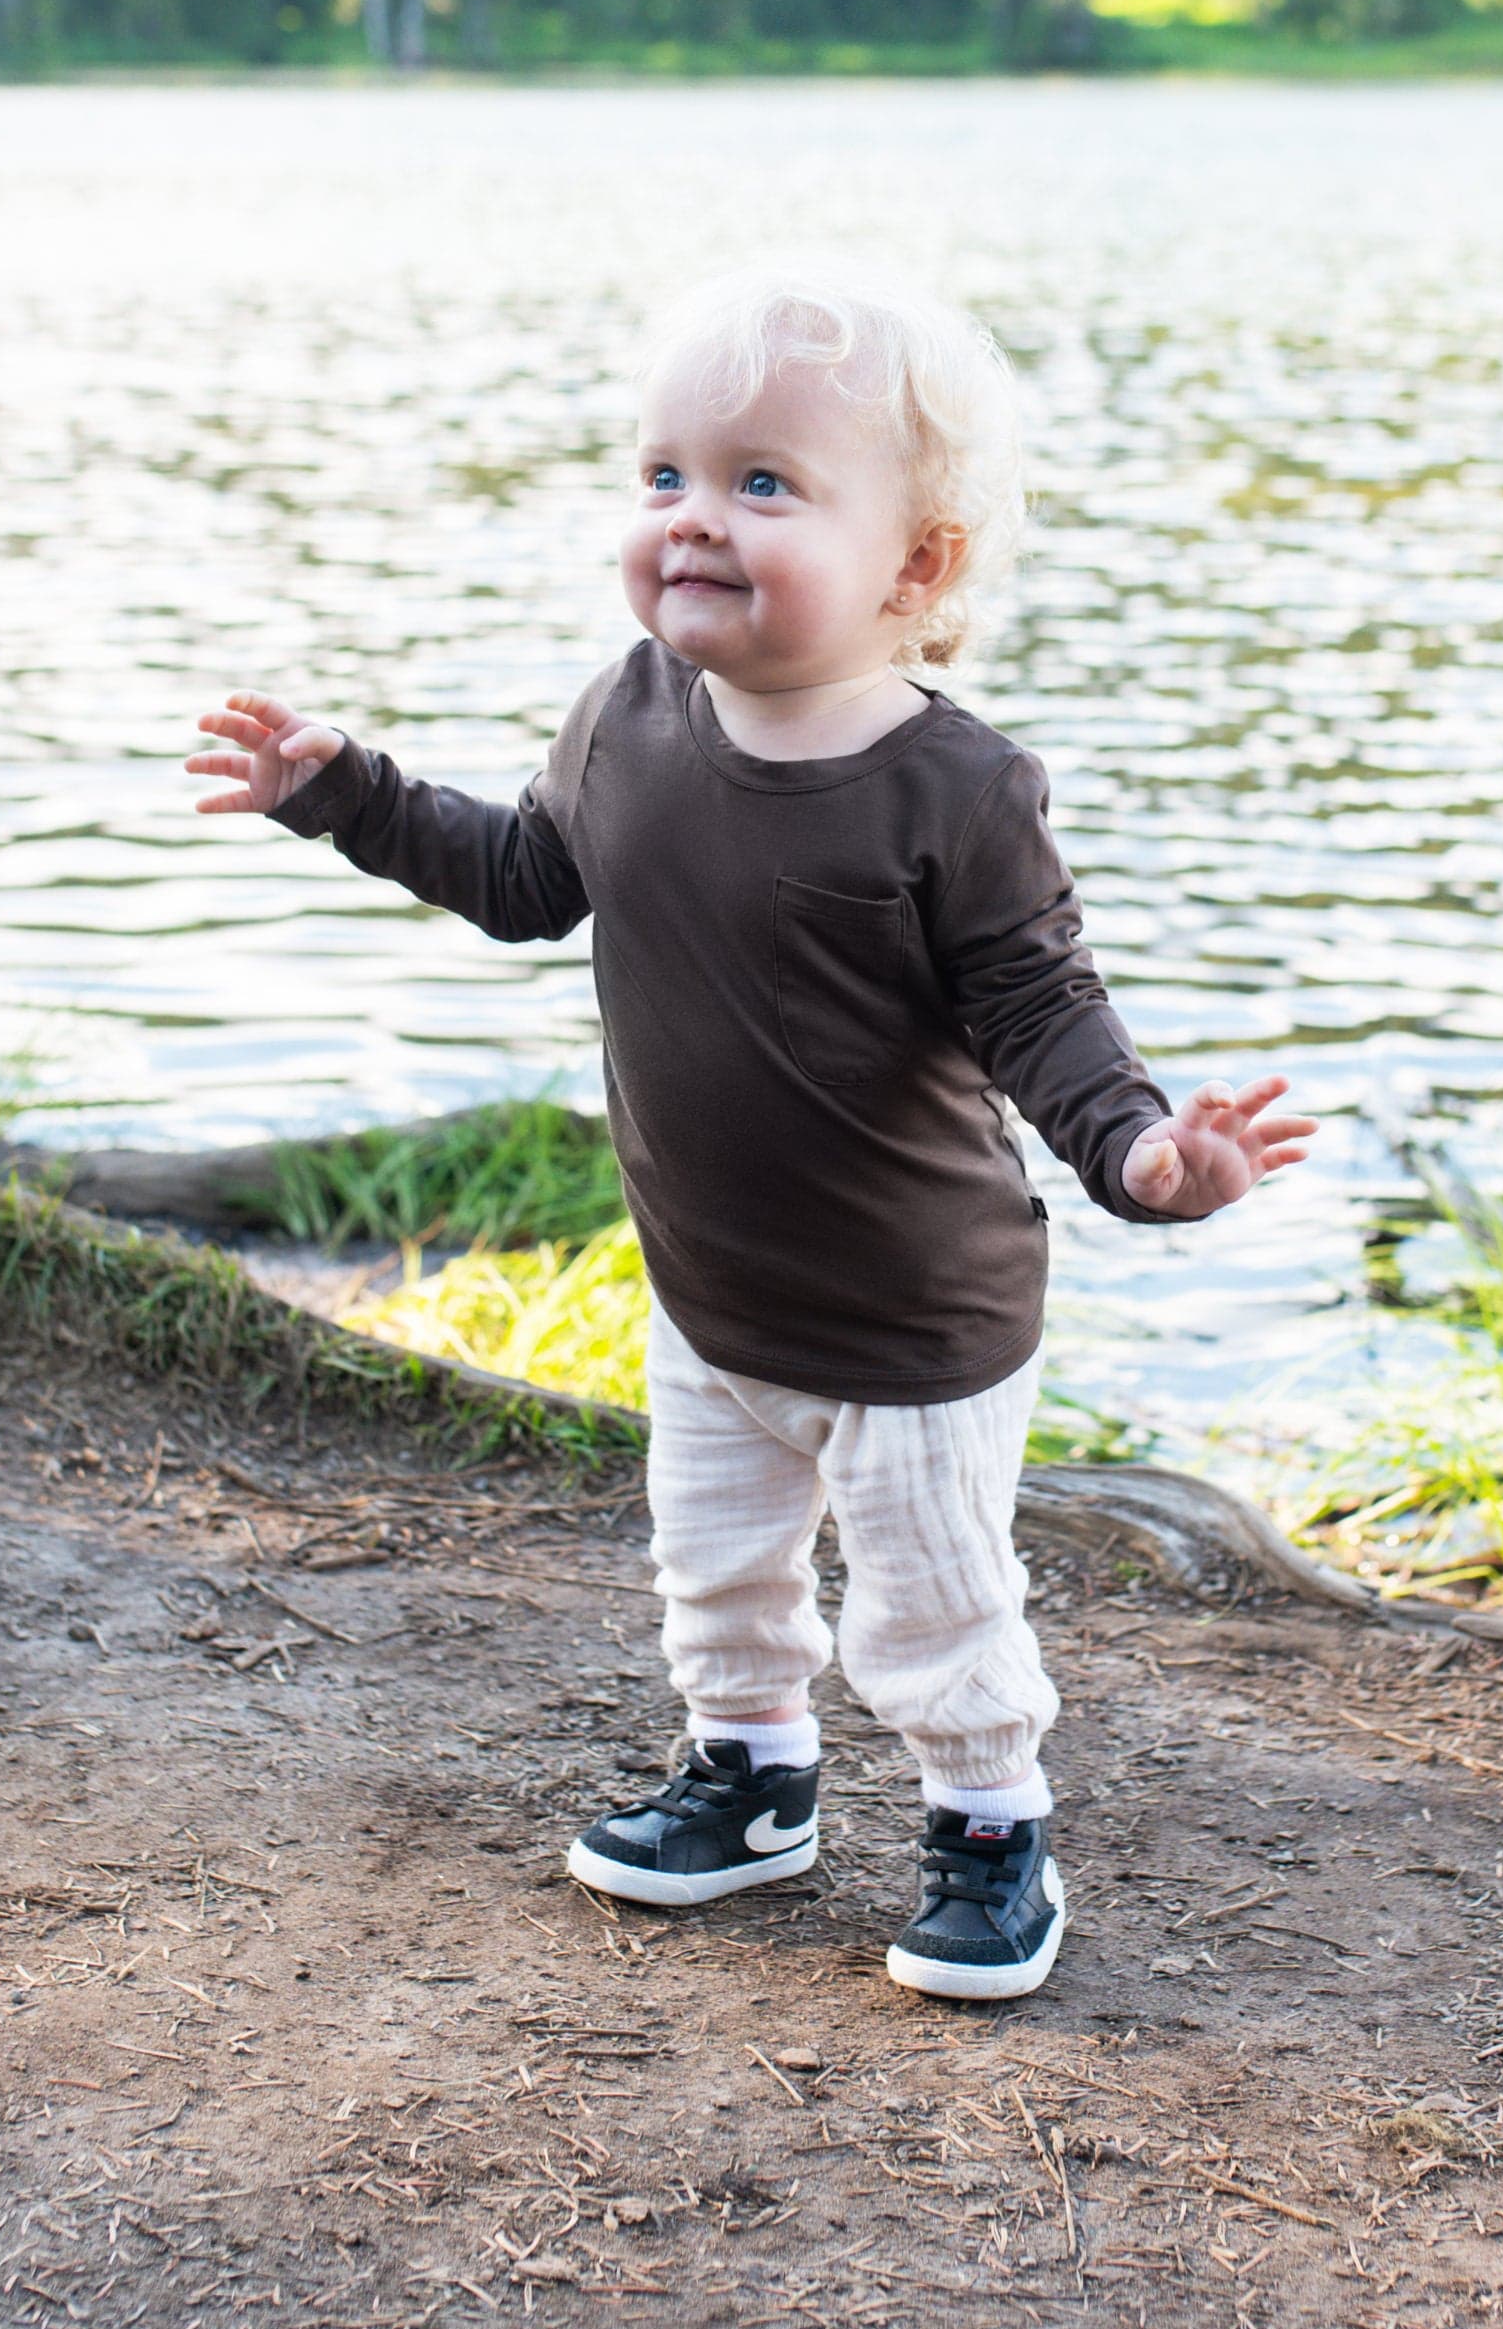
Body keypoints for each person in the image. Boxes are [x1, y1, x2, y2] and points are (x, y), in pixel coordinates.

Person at [187, 265, 1312, 2000]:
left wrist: (1155, 1161)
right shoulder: (630, 715)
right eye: (666, 477)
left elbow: (1045, 1022)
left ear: (915, 567)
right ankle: (753, 1780)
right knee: (715, 1573)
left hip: (913, 1326)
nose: (694, 521)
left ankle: (990, 1827)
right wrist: (348, 794)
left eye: (764, 484)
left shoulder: (956, 790)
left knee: (936, 1610)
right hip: (711, 1295)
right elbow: (520, 879)